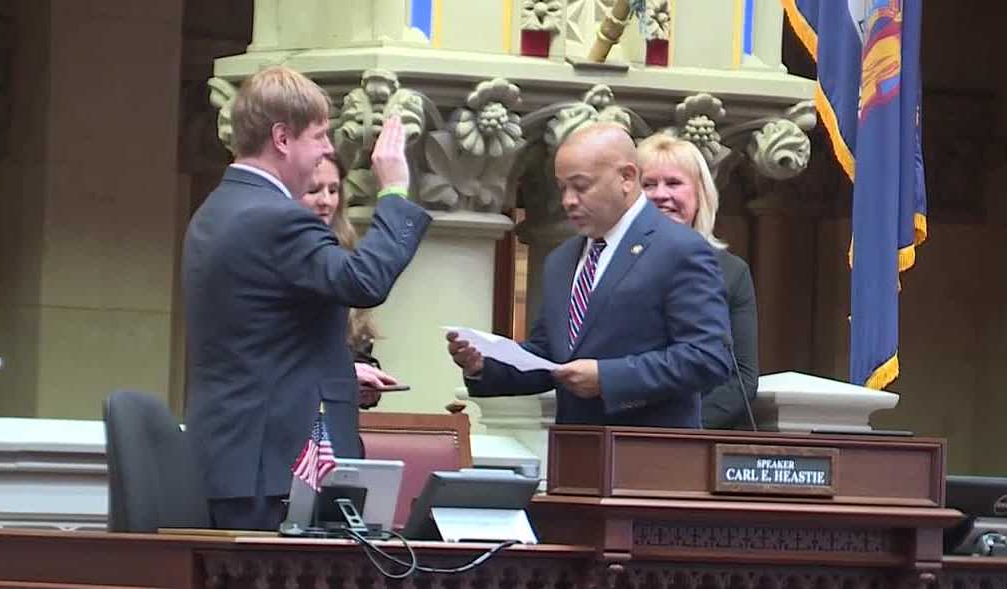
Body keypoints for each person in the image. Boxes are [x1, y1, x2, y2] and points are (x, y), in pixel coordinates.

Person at [183, 65, 431, 531]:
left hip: (236, 462)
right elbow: (362, 281)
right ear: (282, 138)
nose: (326, 149)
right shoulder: (275, 217)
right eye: (318, 136)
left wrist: (339, 371)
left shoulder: (218, 209)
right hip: (269, 472)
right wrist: (395, 191)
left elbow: (257, 337)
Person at [446, 123, 731, 428]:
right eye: (562, 188)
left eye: (581, 186)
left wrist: (607, 378)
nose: (568, 200)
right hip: (573, 446)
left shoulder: (679, 248)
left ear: (627, 178)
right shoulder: (561, 260)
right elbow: (549, 357)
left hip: (648, 448)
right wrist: (484, 365)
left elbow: (708, 357)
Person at [636, 132, 759, 429]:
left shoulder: (731, 272)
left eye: (673, 183)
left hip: (698, 437)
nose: (660, 195)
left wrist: (683, 429)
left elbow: (742, 378)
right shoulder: (609, 263)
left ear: (700, 195)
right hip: (622, 428)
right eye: (648, 184)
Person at [298, 153, 396, 412]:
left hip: (333, 423)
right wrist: (340, 374)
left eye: (333, 190)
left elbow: (356, 349)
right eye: (313, 190)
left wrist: (367, 381)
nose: (326, 201)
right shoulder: (273, 252)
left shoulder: (344, 253)